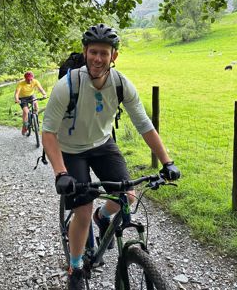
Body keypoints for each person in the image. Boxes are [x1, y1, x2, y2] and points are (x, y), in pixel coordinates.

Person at [42, 23, 180, 290]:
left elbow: (144, 125)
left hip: (102, 144)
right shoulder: (67, 85)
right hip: (70, 149)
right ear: (85, 52)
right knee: (82, 210)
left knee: (127, 196)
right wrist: (60, 173)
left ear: (114, 55)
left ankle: (103, 217)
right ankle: (76, 267)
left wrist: (167, 162)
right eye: (93, 52)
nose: (98, 58)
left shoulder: (121, 84)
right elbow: (48, 133)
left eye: (104, 53)